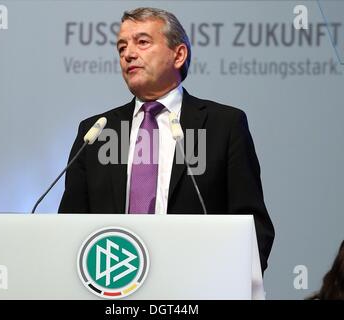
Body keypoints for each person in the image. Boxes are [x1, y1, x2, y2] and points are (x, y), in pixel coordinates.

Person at [58, 7, 275, 272]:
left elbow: (252, 225)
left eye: (142, 42)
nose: (128, 54)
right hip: (114, 287)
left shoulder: (224, 125)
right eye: (121, 47)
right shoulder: (95, 132)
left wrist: (229, 281)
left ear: (179, 55)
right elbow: (68, 228)